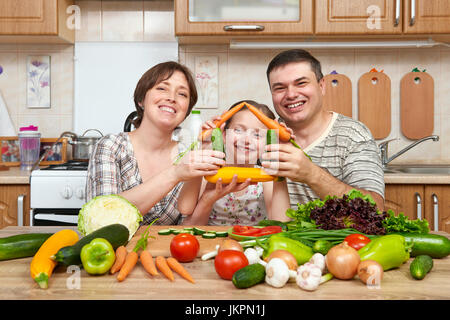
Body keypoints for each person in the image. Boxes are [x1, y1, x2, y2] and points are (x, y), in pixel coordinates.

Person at [86, 61, 226, 225]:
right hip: (115, 250)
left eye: (182, 94)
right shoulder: (111, 146)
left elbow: (188, 229)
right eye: (161, 88)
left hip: (166, 251)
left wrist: (207, 198)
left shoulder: (188, 155)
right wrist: (175, 174)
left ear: (187, 110)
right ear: (141, 100)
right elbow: (103, 217)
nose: (172, 98)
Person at [260, 49, 385, 211]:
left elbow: (376, 209)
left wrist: (312, 174)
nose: (290, 94)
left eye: (301, 83)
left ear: (321, 86)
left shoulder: (354, 135)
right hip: (276, 235)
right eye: (279, 88)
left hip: (338, 237)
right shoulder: (262, 135)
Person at [178, 100, 291, 225]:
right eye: (238, 130)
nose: (246, 140)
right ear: (224, 135)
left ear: (268, 142)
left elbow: (281, 221)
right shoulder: (210, 172)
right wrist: (202, 152)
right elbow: (185, 208)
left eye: (257, 135)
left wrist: (280, 163)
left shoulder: (268, 178)